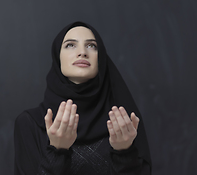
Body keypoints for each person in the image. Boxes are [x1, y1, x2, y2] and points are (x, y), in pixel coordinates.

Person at [14, 21, 152, 174]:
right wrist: (57, 150)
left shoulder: (122, 123)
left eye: (92, 46)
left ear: (101, 59)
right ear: (57, 56)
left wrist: (124, 152)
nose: (82, 52)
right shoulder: (30, 123)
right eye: (70, 45)